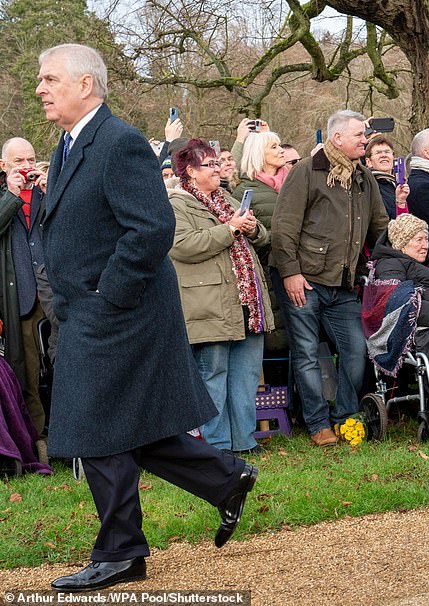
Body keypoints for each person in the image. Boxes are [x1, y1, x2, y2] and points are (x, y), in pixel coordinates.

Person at [36, 43, 257, 592]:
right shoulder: (68, 144)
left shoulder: (119, 141)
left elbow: (151, 228)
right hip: (89, 309)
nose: (40, 89)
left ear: (86, 85)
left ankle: (121, 551)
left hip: (117, 311)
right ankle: (227, 478)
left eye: (49, 79)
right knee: (127, 427)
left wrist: (108, 293)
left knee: (96, 428)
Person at [270, 109, 389, 447]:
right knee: (307, 354)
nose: (364, 140)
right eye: (358, 136)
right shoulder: (306, 171)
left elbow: (379, 227)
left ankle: (345, 417)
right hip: (303, 280)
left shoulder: (363, 178)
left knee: (356, 352)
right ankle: (319, 423)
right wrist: (290, 272)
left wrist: (401, 253)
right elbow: (283, 227)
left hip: (343, 284)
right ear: (337, 138)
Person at [168, 139, 273, 454]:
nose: (217, 169)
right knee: (212, 375)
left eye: (217, 163)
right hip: (208, 303)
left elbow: (262, 238)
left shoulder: (226, 197)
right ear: (190, 170)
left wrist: (253, 229)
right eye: (209, 165)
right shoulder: (177, 202)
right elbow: (182, 245)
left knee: (246, 375)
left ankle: (244, 440)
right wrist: (230, 229)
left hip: (246, 302)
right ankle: (216, 445)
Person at [0, 137, 49, 458]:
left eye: (30, 159)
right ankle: (39, 442)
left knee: (67, 368)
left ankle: (74, 437)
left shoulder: (48, 192)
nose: (27, 166)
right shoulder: (5, 197)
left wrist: (53, 189)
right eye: (19, 161)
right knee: (28, 374)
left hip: (56, 295)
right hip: (21, 300)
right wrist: (12, 195)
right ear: (3, 166)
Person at [233, 131, 290, 356]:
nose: (281, 150)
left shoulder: (295, 183)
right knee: (277, 346)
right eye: (273, 147)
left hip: (300, 273)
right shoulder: (245, 192)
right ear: (258, 154)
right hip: (268, 275)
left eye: (279, 145)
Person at [371, 213, 429, 367]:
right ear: (402, 244)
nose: (426, 245)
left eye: (426, 239)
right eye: (419, 240)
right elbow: (398, 300)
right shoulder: (389, 265)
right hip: (428, 325)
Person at [364, 135, 410, 219]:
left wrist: (401, 202)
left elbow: (403, 222)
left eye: (387, 152)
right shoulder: (367, 185)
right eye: (378, 153)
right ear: (369, 162)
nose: (383, 155)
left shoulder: (398, 184)